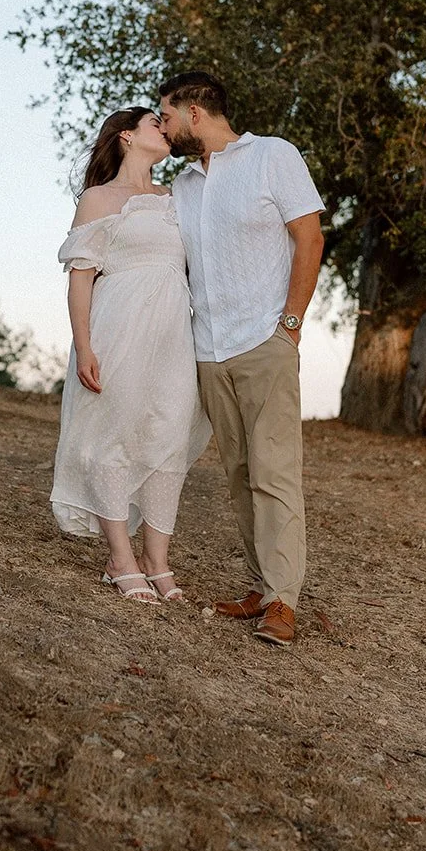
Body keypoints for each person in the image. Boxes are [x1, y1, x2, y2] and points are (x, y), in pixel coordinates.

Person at [159, 72, 325, 647]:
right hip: (209, 350)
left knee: (275, 473)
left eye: (168, 115)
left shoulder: (272, 156)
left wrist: (290, 328)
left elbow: (310, 237)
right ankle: (260, 585)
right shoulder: (182, 186)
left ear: (195, 112)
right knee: (239, 475)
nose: (164, 126)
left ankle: (283, 601)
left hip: (265, 343)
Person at [50, 107, 211, 604]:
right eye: (154, 122)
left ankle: (157, 561)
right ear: (127, 135)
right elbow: (80, 280)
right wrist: (84, 347)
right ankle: (121, 558)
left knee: (167, 435)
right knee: (112, 433)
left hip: (172, 335)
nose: (165, 129)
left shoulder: (178, 197)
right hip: (117, 326)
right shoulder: (99, 200)